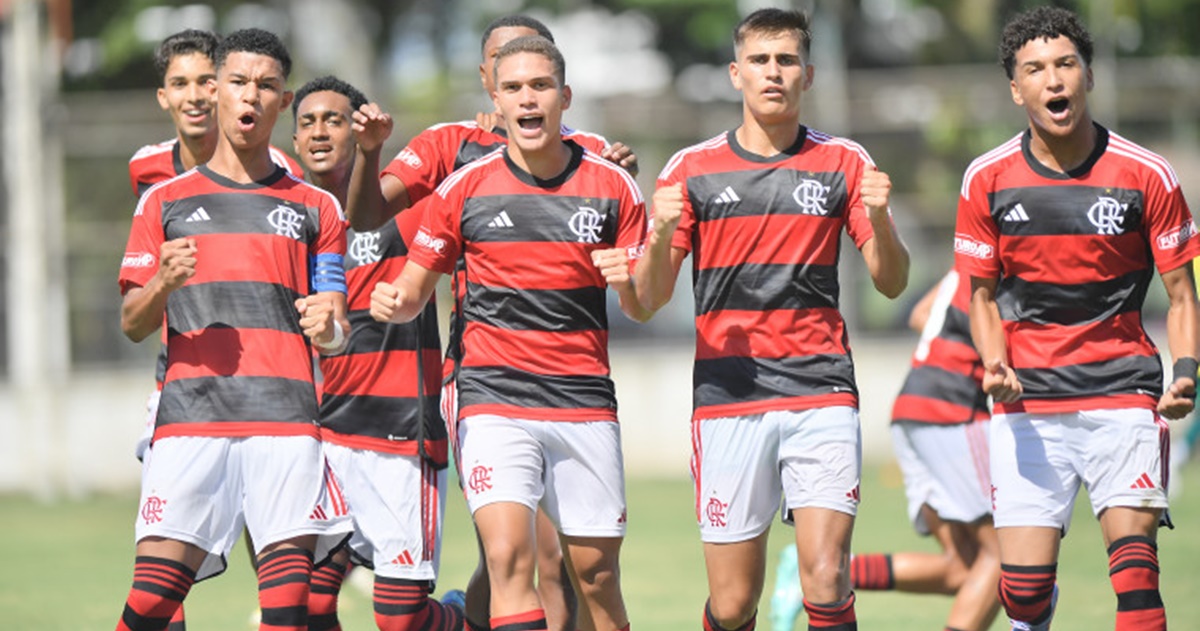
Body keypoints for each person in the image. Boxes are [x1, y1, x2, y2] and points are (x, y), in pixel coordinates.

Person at [348, 15, 637, 631]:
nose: (527, 96)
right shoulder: (459, 177)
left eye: (540, 83)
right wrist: (392, 302)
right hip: (489, 390)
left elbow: (642, 301)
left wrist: (632, 279)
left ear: (565, 95)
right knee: (509, 555)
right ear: (491, 92)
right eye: (512, 84)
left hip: (582, 396)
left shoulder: (611, 181)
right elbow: (406, 270)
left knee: (593, 575)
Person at [635, 8, 909, 631]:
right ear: (736, 73)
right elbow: (649, 298)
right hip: (728, 397)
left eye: (786, 60)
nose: (773, 73)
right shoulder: (690, 169)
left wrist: (883, 220)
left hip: (821, 390)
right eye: (760, 60)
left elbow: (891, 283)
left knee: (828, 575)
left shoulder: (844, 162)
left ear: (808, 75)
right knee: (733, 606)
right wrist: (662, 233)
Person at [954, 7, 1199, 630]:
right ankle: (1035, 606)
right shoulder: (986, 178)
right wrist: (994, 365)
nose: (1053, 80)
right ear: (1016, 89)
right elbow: (980, 297)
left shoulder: (1147, 175)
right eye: (1035, 70)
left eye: (1066, 64)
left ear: (1088, 75)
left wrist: (1186, 372)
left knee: (1138, 579)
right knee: (1024, 595)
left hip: (1122, 393)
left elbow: (1180, 294)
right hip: (1029, 404)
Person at [115, 28, 352, 631]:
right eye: (240, 82)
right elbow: (132, 323)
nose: (251, 97)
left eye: (267, 86)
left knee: (286, 613)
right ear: (216, 90)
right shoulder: (163, 201)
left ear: (283, 99)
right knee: (149, 606)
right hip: (192, 419)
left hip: (287, 424)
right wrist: (163, 285)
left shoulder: (316, 208)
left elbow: (335, 327)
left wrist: (329, 326)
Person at [290, 74, 465, 631]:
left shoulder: (410, 208)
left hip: (397, 432)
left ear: (361, 130)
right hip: (318, 436)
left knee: (399, 619)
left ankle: (464, 618)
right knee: (309, 605)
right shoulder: (286, 217)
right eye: (308, 122)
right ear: (294, 140)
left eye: (335, 120)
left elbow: (495, 167)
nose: (320, 132)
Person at [770, 270, 999, 631]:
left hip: (914, 405)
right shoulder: (1004, 260)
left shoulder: (966, 264)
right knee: (1004, 559)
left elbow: (921, 314)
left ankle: (813, 576)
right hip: (953, 410)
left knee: (963, 566)